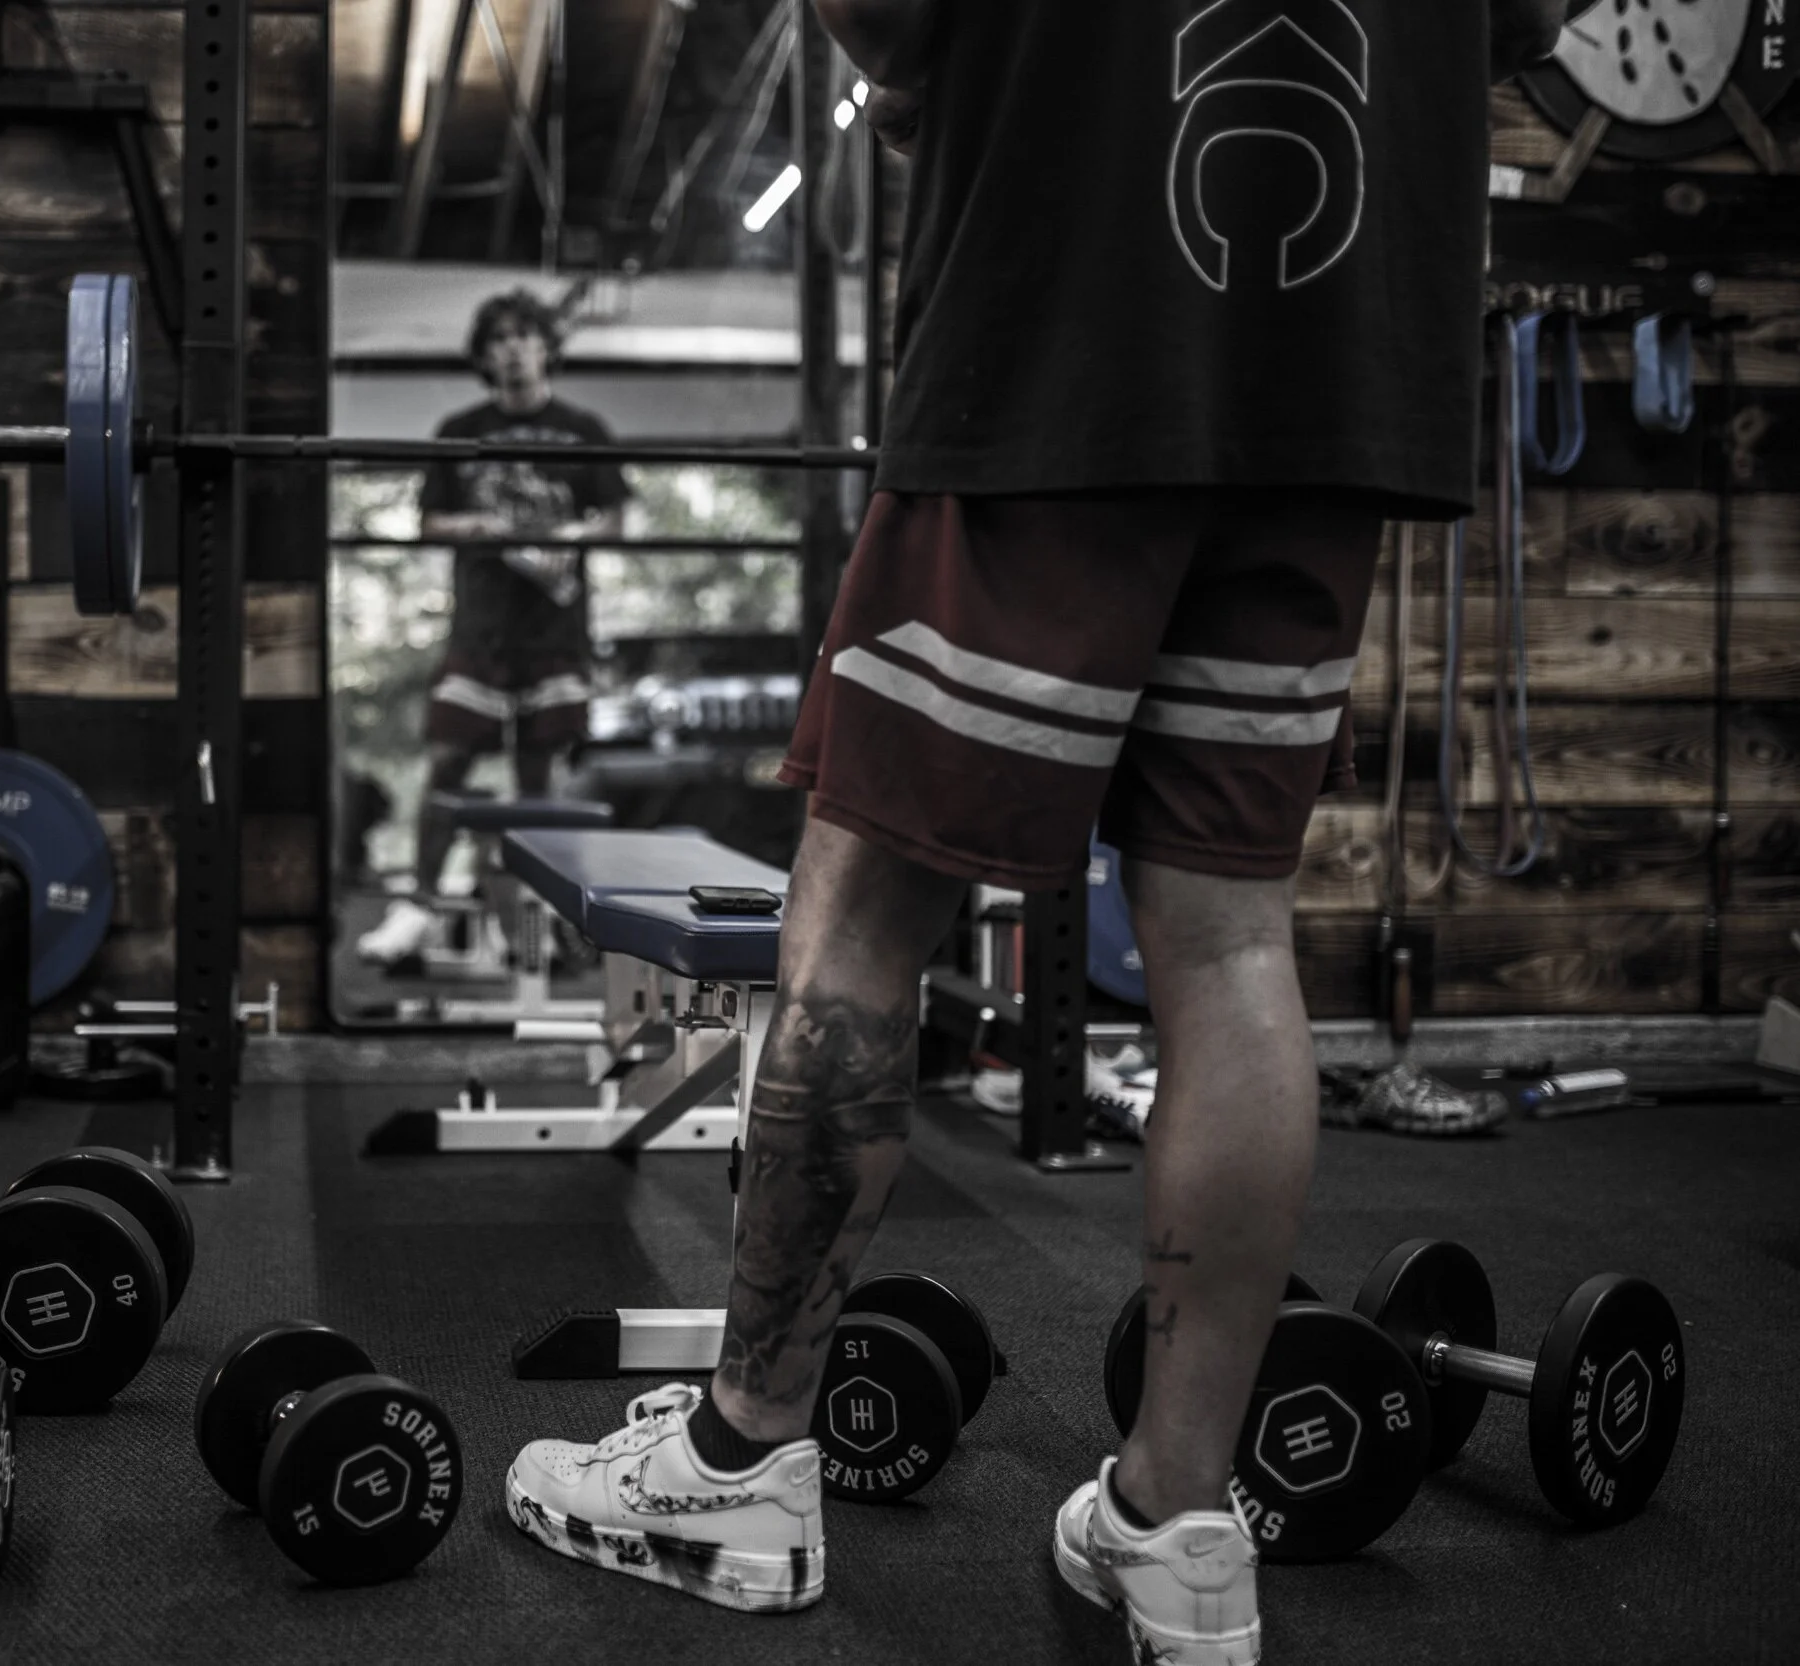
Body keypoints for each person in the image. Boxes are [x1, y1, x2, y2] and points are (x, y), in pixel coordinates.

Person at [505, 4, 1583, 1659]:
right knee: (1229, 934)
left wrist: (933, 87)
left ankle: (740, 1453)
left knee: (865, 907)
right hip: (1342, 367)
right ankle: (1180, 1525)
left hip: (1064, 330)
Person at [356, 291, 629, 969]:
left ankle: (533, 919)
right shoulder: (460, 428)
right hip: (479, 630)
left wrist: (566, 535)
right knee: (449, 760)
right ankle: (418, 906)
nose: (512, 348)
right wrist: (478, 526)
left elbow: (615, 517)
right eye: (499, 339)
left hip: (555, 631)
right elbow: (428, 521)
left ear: (546, 347)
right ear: (483, 355)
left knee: (538, 778)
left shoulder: (583, 429)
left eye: (524, 335)